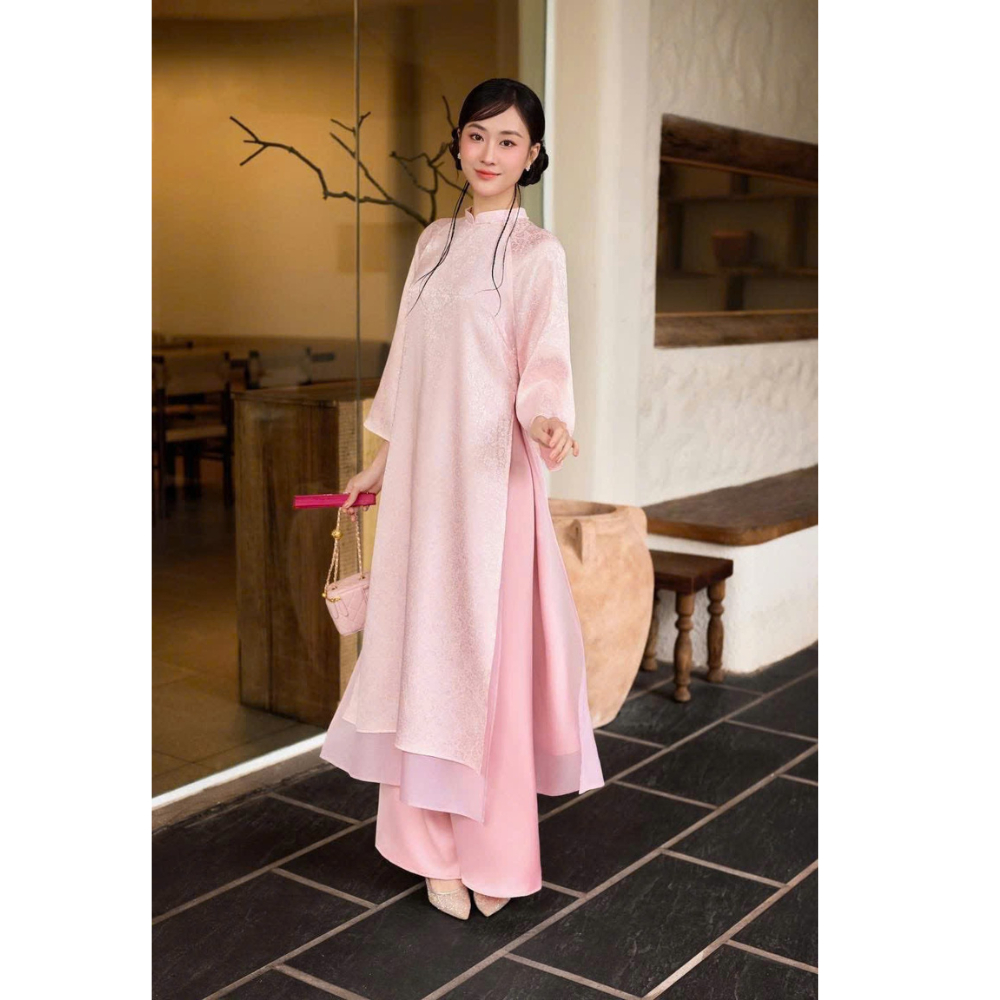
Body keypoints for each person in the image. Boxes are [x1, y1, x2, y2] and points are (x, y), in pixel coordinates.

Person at [320, 78, 605, 921]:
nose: (489, 154)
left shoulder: (537, 254)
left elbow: (544, 360)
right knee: (423, 657)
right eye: (477, 136)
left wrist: (547, 419)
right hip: (423, 485)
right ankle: (428, 848)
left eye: (508, 141)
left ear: (533, 155)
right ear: (458, 144)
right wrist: (382, 461)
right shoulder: (433, 244)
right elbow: (409, 362)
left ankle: (493, 850)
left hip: (494, 483)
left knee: (486, 669)